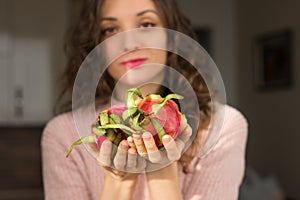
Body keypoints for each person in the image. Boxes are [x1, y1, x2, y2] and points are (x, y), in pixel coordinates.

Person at [41, 0, 248, 199]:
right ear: (97, 45)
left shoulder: (222, 126)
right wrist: (119, 179)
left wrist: (162, 170)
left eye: (146, 24)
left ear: (171, 36)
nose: (130, 43)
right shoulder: (62, 135)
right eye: (110, 29)